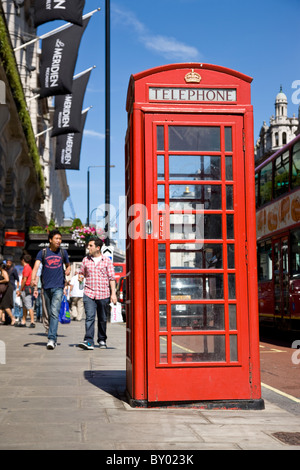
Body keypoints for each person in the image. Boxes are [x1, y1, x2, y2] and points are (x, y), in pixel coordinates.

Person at [31, 229, 70, 350]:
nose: (59, 241)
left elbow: (68, 265)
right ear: (50, 240)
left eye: (60, 239)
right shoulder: (43, 253)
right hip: (46, 287)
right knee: (47, 313)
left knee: (54, 313)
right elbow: (36, 266)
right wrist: (33, 279)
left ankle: (51, 338)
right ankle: (51, 333)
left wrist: (68, 269)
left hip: (58, 287)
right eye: (56, 239)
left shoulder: (63, 252)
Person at [77, 237, 117, 350]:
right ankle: (88, 341)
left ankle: (102, 339)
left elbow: (112, 278)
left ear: (98, 248)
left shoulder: (107, 261)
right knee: (89, 317)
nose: (88, 247)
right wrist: (80, 277)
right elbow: (81, 273)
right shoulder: (85, 260)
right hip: (89, 293)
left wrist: (113, 294)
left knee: (102, 318)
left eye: (90, 245)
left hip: (103, 294)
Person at [16, 254, 35, 328]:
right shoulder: (27, 267)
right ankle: (23, 321)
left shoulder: (27, 268)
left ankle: (32, 322)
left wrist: (20, 290)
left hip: (26, 288)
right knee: (24, 306)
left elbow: (24, 280)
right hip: (26, 288)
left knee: (28, 305)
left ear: (23, 260)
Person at [0, 262, 16, 326]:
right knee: (1, 306)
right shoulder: (1, 271)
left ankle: (13, 318)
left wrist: (0, 281)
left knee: (5, 305)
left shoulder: (3, 271)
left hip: (7, 289)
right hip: (4, 290)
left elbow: (7, 279)